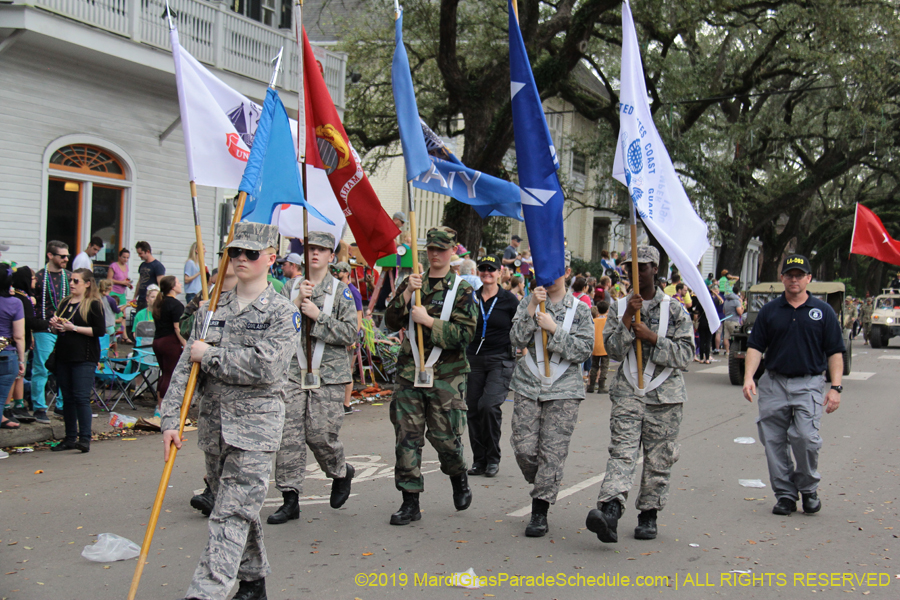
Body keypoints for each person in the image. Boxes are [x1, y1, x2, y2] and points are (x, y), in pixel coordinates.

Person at [161, 222, 296, 600]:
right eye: (234, 252)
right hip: (215, 427)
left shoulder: (282, 313)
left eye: (250, 253)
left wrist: (213, 356)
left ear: (271, 259)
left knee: (230, 513)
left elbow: (266, 367)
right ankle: (253, 583)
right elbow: (186, 370)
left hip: (256, 430)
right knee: (234, 507)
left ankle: (206, 592)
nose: (240, 259)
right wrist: (171, 421)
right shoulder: (210, 309)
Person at [587, 246, 694, 544]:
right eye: (629, 267)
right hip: (629, 393)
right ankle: (610, 510)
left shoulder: (674, 309)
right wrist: (627, 319)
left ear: (654, 270)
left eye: (642, 267)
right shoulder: (620, 307)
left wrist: (653, 338)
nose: (635, 273)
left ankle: (649, 513)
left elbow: (686, 355)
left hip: (665, 397)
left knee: (659, 459)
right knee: (622, 452)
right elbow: (613, 351)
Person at [383, 226, 477, 526]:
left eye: (441, 249)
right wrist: (408, 292)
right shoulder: (413, 283)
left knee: (445, 438)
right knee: (407, 439)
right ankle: (410, 502)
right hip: (410, 374)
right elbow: (390, 320)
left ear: (452, 252)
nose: (435, 254)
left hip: (446, 378)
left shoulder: (462, 289)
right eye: (431, 249)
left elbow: (465, 335)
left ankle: (458, 474)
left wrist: (429, 322)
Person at [742, 254, 844, 516]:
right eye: (790, 274)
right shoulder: (770, 310)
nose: (794, 279)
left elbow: (834, 352)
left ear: (809, 278)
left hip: (808, 384)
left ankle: (808, 488)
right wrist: (748, 377)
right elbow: (755, 346)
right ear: (782, 278)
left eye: (800, 275)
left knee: (806, 438)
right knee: (773, 441)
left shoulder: (823, 312)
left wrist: (835, 387)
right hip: (774, 383)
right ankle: (785, 494)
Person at [268, 231, 358, 526]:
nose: (315, 254)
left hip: (328, 375)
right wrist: (295, 305)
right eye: (310, 249)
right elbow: (273, 327)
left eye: (321, 250)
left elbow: (349, 334)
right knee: (288, 436)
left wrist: (318, 315)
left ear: (332, 257)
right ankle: (290, 498)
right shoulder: (289, 287)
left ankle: (341, 471)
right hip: (293, 373)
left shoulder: (340, 291)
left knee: (319, 434)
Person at [508, 271, 594, 537]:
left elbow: (584, 349)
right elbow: (516, 340)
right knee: (524, 448)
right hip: (529, 384)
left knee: (552, 453)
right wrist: (532, 307)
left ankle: (540, 510)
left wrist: (554, 329)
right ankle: (545, 479)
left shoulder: (580, 309)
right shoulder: (528, 302)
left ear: (565, 273)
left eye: (554, 270)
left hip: (564, 389)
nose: (548, 276)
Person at [465, 255, 518, 478]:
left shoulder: (509, 300)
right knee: (473, 408)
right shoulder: (471, 298)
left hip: (500, 360)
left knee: (488, 406)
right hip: (473, 360)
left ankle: (493, 458)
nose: (487, 273)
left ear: (500, 273)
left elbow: (520, 329)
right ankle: (479, 459)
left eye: (491, 269)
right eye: (483, 269)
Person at [48, 268, 105, 452]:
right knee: (68, 398)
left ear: (87, 283)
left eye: (76, 281)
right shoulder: (65, 302)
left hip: (84, 356)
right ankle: (70, 437)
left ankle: (85, 438)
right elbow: (60, 329)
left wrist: (74, 328)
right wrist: (56, 326)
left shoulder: (93, 304)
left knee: (81, 397)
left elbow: (99, 331)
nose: (72, 284)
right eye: (71, 280)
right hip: (64, 355)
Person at [32, 240, 71, 423]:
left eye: (67, 256)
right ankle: (39, 407)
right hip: (44, 328)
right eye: (62, 256)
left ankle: (61, 406)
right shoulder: (39, 278)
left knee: (64, 368)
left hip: (65, 329)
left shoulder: (70, 278)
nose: (66, 259)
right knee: (41, 368)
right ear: (50, 255)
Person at [6, 268, 42, 423]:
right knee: (15, 375)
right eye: (33, 278)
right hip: (15, 344)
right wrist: (47, 324)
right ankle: (8, 406)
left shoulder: (24, 297)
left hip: (24, 340)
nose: (35, 281)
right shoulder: (19, 299)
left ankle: (19, 404)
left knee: (18, 376)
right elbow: (25, 324)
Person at [152, 276, 186, 418]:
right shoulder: (176, 305)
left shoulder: (159, 303)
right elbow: (177, 327)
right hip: (170, 342)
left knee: (164, 372)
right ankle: (164, 408)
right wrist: (184, 343)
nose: (180, 284)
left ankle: (159, 405)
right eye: (178, 282)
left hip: (157, 341)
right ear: (172, 287)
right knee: (170, 374)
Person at [332, 261, 363, 415]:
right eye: (334, 270)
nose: (335, 273)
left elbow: (359, 315)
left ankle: (346, 404)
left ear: (346, 272)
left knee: (347, 370)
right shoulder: (338, 289)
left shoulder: (352, 291)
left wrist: (353, 337)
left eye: (338, 270)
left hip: (350, 337)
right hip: (340, 335)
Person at [0, 265, 26, 431]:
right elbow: (18, 336)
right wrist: (21, 359)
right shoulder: (15, 303)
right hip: (7, 354)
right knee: (1, 397)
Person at [132, 241, 165, 311]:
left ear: (147, 251)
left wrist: (156, 299)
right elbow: (140, 282)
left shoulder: (157, 266)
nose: (139, 255)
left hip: (150, 300)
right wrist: (135, 297)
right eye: (138, 253)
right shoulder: (142, 265)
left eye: (140, 253)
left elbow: (160, 284)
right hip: (141, 299)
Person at [587, 302, 610, 394]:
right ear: (607, 310)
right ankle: (601, 385)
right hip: (605, 347)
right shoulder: (608, 321)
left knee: (594, 366)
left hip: (595, 346)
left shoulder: (593, 321)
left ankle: (591, 385)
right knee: (604, 367)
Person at [722, 282, 744, 353]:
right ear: (738, 292)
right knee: (736, 337)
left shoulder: (726, 301)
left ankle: (727, 351)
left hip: (726, 320)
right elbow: (739, 312)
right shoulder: (736, 301)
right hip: (734, 321)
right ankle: (734, 351)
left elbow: (724, 311)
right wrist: (742, 306)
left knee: (726, 337)